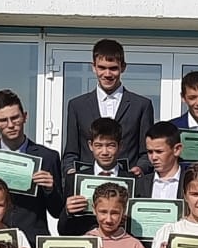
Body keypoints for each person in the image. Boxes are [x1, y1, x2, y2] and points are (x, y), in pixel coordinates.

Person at [0, 89, 64, 248]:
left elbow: (57, 211)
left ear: (25, 116)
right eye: (3, 120)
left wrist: (50, 189)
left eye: (15, 118)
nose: (11, 125)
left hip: (32, 242)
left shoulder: (48, 157)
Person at [62, 38, 154, 175]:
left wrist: (141, 168)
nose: (107, 74)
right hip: (88, 182)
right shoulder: (77, 106)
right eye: (102, 68)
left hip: (127, 181)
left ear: (123, 67)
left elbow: (147, 152)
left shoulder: (141, 105)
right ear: (93, 67)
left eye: (113, 68)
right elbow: (71, 153)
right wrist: (71, 172)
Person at [61, 117, 132, 236]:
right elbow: (63, 230)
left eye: (110, 146)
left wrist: (129, 220)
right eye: (99, 145)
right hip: (84, 242)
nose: (104, 152)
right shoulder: (74, 180)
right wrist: (67, 211)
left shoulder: (134, 181)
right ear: (90, 145)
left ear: (120, 146)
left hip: (119, 242)